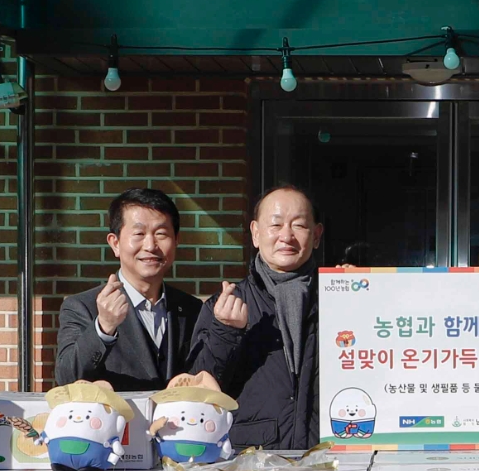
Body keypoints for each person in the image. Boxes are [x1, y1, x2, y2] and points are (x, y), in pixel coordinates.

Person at [188, 185, 323, 450]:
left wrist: (358, 295)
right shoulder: (226, 304)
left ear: (317, 235)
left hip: (326, 454)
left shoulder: (338, 300)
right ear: (255, 233)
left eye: (299, 226)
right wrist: (225, 332)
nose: (286, 236)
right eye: (275, 225)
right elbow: (195, 389)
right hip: (252, 459)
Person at [54, 187, 201, 391]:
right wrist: (104, 327)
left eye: (161, 233)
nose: (150, 245)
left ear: (176, 240)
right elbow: (67, 377)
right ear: (115, 243)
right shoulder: (82, 306)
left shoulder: (192, 308)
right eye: (139, 233)